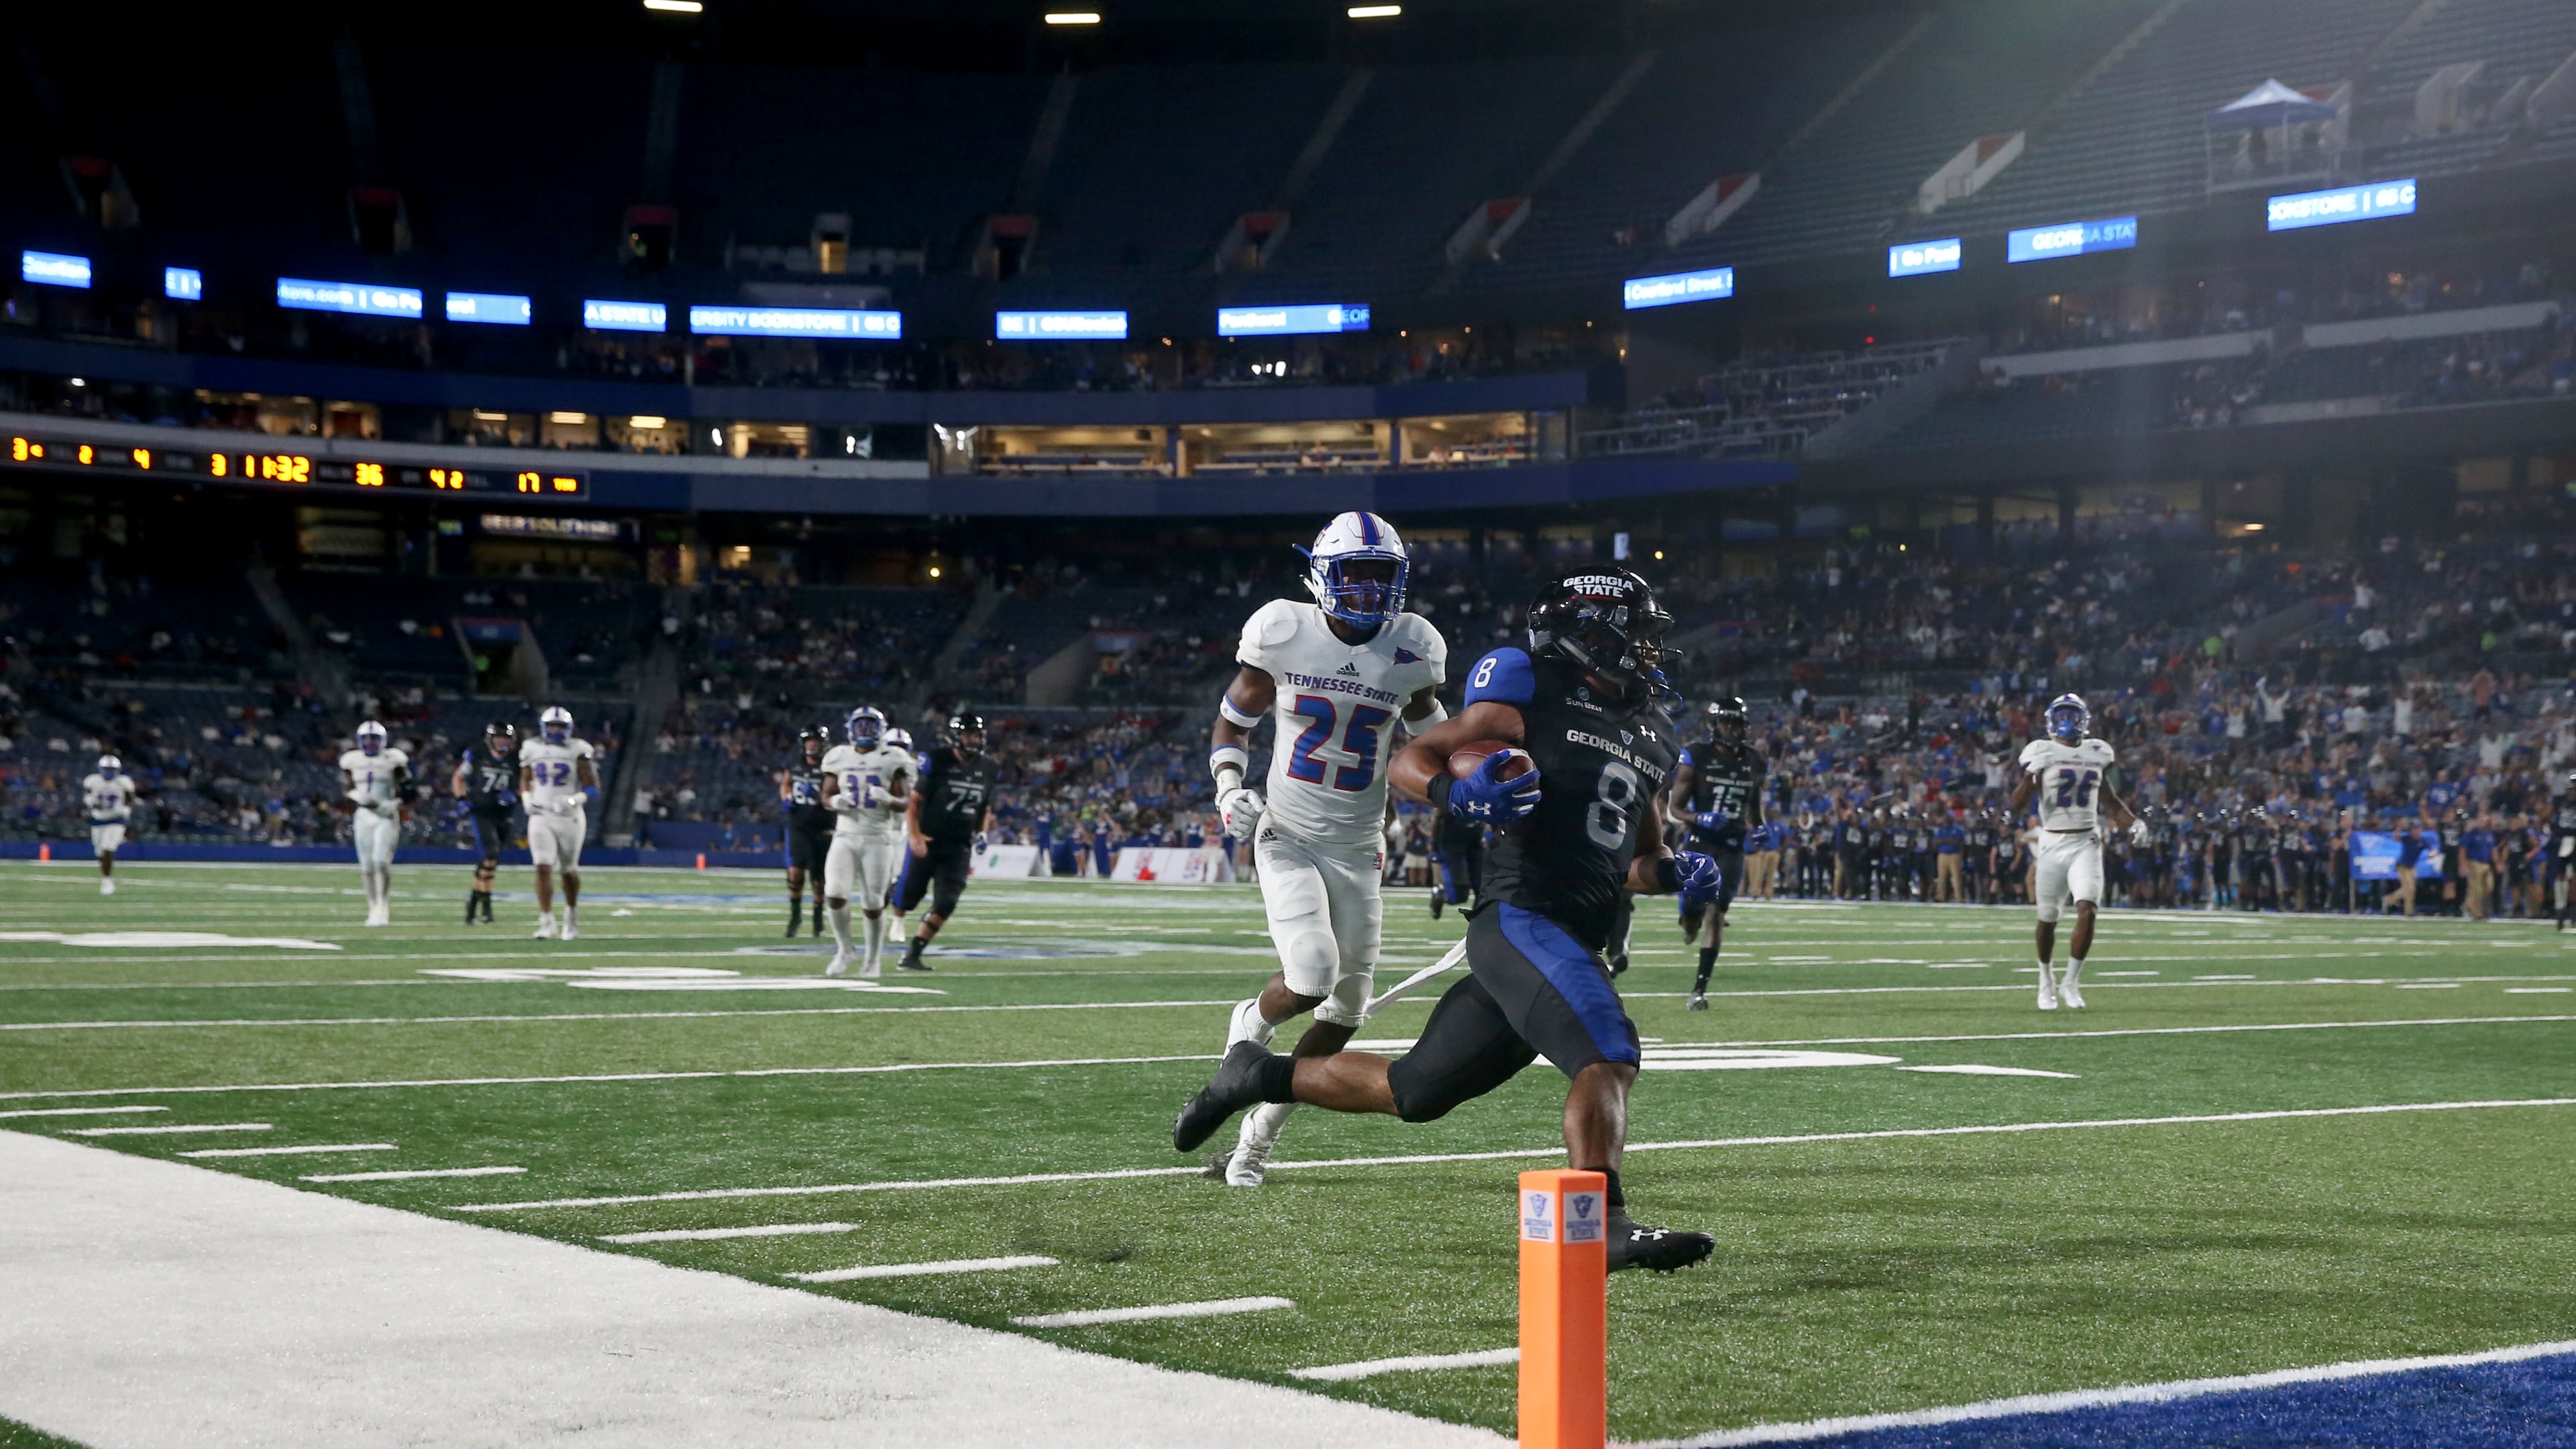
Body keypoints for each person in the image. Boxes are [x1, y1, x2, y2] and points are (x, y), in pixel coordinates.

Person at [1172, 567, 1719, 1273]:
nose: (1648, 647)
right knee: (1608, 1053)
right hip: (1521, 918)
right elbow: (1414, 757)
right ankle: (1603, 1224)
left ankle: (1254, 1074)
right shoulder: (1533, 689)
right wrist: (1456, 796)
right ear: (1587, 633)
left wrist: (1673, 873)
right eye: (1636, 631)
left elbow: (1637, 859)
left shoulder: (1653, 730)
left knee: (1415, 1091)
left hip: (1571, 932)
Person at [1203, 511, 1448, 1187]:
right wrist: (1229, 789)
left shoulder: (1415, 646)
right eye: (1354, 573)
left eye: (1380, 575)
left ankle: (1256, 1137)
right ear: (1320, 575)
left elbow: (1437, 736)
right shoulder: (1283, 630)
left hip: (1360, 844)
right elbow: (1234, 721)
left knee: (1346, 1009)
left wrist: (1474, 776)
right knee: (1311, 975)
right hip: (1289, 832)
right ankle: (1249, 1024)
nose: (1368, 589)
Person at [2007, 694, 2141, 1011]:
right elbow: (2017, 805)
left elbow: (2109, 801)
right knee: (2047, 918)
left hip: (2086, 842)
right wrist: (2029, 775)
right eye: (2062, 715)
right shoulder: (2041, 751)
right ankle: (2045, 980)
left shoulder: (2098, 752)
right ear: (2051, 720)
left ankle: (2071, 981)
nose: (2067, 721)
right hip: (2052, 842)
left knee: (2088, 908)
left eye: (2072, 714)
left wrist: (2134, 822)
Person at [1668, 696, 1762, 1010]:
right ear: (1715, 725)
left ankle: (1699, 990)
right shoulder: (1697, 755)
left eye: (1736, 723)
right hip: (1700, 842)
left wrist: (1759, 827)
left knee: (1717, 914)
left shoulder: (1754, 760)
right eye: (1726, 723)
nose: (1732, 729)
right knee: (1692, 914)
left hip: (1732, 845)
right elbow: (1675, 808)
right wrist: (1701, 817)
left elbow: (1754, 805)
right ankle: (1688, 922)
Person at [892, 712, 996, 972]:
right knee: (909, 897)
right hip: (929, 839)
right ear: (956, 737)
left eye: (976, 735)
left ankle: (914, 952)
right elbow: (915, 802)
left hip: (959, 845)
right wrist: (915, 835)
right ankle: (892, 895)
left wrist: (982, 833)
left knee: (947, 902)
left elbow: (985, 807)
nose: (973, 740)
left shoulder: (988, 768)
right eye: (968, 735)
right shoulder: (938, 761)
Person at [820, 706, 916, 977]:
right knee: (834, 894)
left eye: (870, 725)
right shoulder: (839, 756)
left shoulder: (892, 758)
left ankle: (872, 961)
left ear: (880, 729)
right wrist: (834, 802)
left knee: (873, 902)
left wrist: (890, 800)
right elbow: (825, 795)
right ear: (851, 729)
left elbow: (906, 801)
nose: (865, 730)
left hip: (877, 838)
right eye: (860, 725)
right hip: (845, 835)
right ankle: (845, 949)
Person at [521, 705, 598, 941]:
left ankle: (571, 917)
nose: (555, 731)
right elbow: (525, 778)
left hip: (569, 816)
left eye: (560, 727)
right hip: (541, 814)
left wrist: (573, 800)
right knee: (542, 866)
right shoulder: (531, 748)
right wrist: (526, 799)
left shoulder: (579, 749)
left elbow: (593, 787)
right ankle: (546, 922)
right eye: (552, 726)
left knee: (568, 870)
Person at [339, 720, 411, 928]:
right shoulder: (352, 760)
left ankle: (383, 906)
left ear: (383, 740)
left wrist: (396, 803)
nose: (370, 743)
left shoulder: (393, 759)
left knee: (381, 861)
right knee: (367, 867)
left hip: (385, 814)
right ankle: (372, 907)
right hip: (363, 815)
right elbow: (345, 788)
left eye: (374, 739)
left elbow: (410, 788)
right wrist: (354, 796)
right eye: (366, 739)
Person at [453, 722, 520, 925]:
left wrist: (516, 796)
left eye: (505, 738)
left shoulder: (517, 759)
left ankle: (473, 904)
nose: (502, 742)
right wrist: (462, 799)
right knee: (490, 856)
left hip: (504, 813)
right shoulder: (477, 753)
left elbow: (527, 783)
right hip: (481, 811)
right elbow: (459, 778)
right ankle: (487, 907)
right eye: (498, 738)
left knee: (491, 860)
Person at [780, 724, 836, 941]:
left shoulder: (830, 765)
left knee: (819, 880)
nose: (812, 745)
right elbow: (786, 783)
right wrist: (786, 798)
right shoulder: (794, 763)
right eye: (809, 741)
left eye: (816, 741)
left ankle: (818, 919)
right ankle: (795, 916)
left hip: (823, 826)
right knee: (795, 872)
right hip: (799, 825)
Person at [81, 755, 140, 897]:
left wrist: (127, 810)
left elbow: (131, 799)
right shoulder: (92, 781)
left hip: (116, 819)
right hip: (98, 819)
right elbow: (87, 797)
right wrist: (90, 806)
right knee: (100, 853)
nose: (109, 772)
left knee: (107, 849)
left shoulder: (123, 782)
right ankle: (106, 876)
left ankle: (107, 881)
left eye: (112, 769)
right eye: (107, 769)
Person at [1430, 808, 1485, 920]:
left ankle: (1477, 921)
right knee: (1460, 893)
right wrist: (1434, 842)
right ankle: (1440, 896)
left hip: (1475, 842)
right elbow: (1438, 813)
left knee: (1483, 887)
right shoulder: (1451, 799)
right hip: (1453, 843)